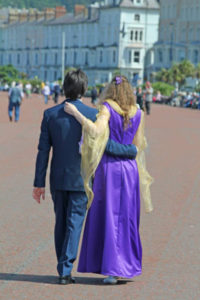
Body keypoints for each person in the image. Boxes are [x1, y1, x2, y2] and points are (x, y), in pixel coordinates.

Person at [33, 69, 139, 285]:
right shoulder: (94, 114)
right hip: (83, 178)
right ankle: (65, 268)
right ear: (84, 89)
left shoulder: (50, 114)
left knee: (60, 222)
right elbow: (102, 146)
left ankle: (63, 266)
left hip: (58, 178)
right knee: (74, 223)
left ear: (64, 88)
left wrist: (38, 183)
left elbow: (43, 151)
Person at [65, 75, 153, 284]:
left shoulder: (107, 108)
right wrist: (128, 150)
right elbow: (137, 145)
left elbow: (96, 131)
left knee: (109, 216)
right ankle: (127, 264)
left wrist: (76, 113)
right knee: (127, 216)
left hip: (110, 169)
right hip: (129, 169)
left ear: (110, 90)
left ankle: (112, 268)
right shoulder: (138, 112)